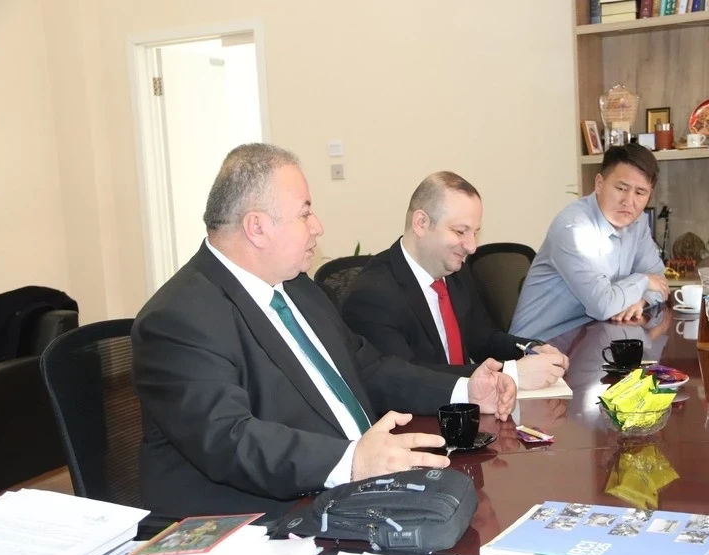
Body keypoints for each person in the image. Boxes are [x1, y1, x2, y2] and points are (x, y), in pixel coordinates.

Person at [131, 144, 517, 520]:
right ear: (257, 227)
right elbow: (230, 439)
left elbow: (370, 367)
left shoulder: (299, 288)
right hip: (261, 520)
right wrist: (351, 461)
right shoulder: (179, 318)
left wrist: (464, 391)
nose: (318, 228)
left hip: (356, 493)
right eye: (305, 213)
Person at [341, 171, 568, 390]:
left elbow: (483, 339)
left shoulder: (456, 271)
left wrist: (530, 349)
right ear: (421, 223)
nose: (472, 246)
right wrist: (511, 374)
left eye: (475, 232)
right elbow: (406, 379)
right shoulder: (372, 295)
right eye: (460, 231)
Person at [510, 144, 669, 341]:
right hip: (539, 346)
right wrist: (643, 281)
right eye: (621, 188)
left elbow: (660, 281)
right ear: (599, 184)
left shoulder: (637, 222)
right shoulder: (574, 229)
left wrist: (642, 300)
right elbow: (603, 306)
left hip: (592, 339)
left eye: (640, 193)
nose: (629, 201)